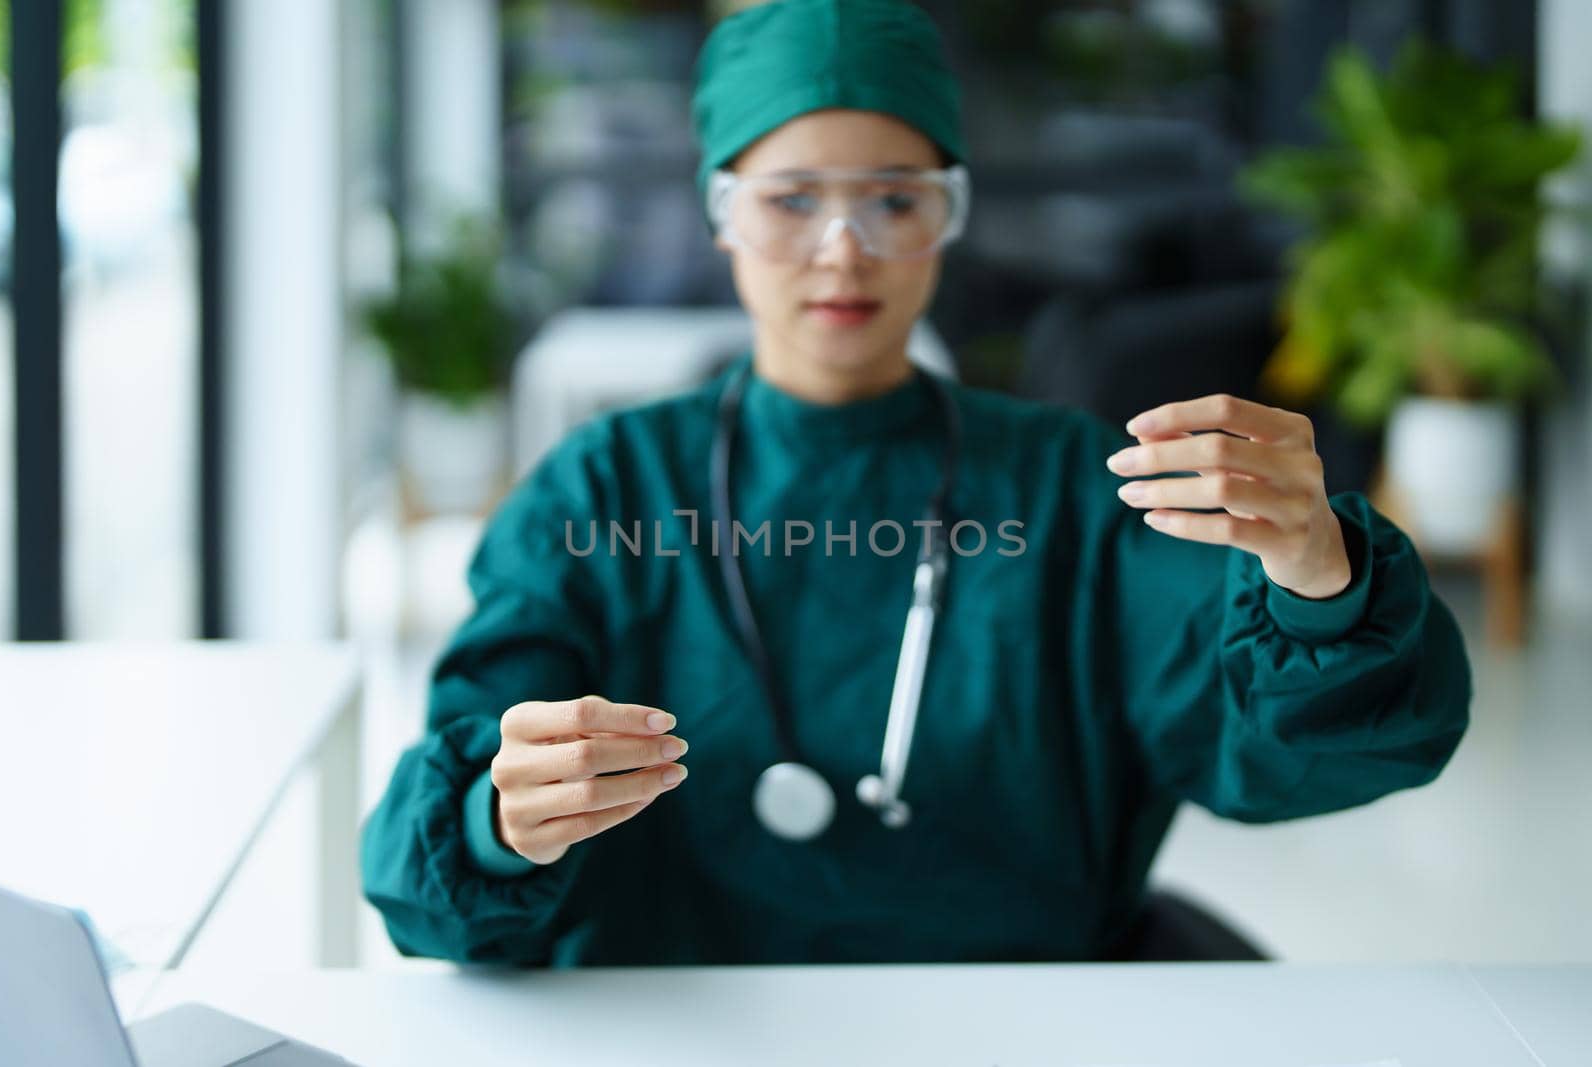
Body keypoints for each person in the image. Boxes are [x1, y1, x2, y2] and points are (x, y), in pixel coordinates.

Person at [360, 0, 1471, 966]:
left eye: (895, 200)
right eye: (791, 200)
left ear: (950, 217)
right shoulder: (604, 491)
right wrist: (499, 816)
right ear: (720, 212)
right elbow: (442, 833)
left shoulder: (1077, 489)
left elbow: (1292, 749)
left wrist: (1315, 579)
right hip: (677, 1027)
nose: (843, 253)